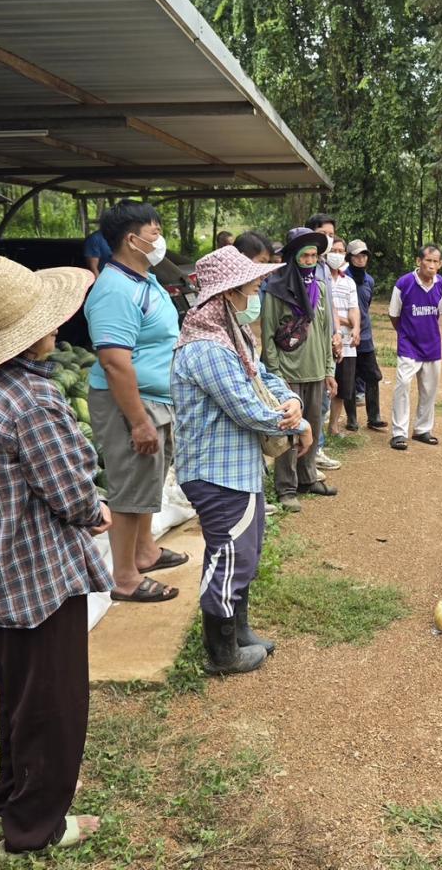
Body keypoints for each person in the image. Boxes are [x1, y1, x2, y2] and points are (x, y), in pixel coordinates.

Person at [0, 256, 111, 857]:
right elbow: (70, 492)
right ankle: (35, 825)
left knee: (20, 693)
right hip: (36, 575)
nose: (58, 327)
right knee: (54, 704)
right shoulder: (35, 402)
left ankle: (10, 798)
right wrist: (97, 510)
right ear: (34, 331)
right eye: (50, 320)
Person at [171, 247, 311, 673]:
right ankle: (222, 652)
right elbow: (245, 406)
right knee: (229, 554)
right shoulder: (207, 348)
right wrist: (295, 425)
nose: (257, 288)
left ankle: (240, 631)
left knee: (244, 552)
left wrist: (290, 399)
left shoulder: (233, 334)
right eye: (250, 284)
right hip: (217, 472)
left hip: (237, 467)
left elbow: (261, 374)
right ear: (228, 293)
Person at [84, 199, 187, 603]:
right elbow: (114, 362)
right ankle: (124, 577)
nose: (160, 240)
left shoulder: (145, 279)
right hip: (130, 402)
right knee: (129, 485)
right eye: (155, 233)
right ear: (132, 239)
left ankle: (144, 551)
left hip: (154, 398)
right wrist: (139, 421)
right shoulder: (113, 289)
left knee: (148, 477)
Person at [260, 227, 336, 512]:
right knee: (290, 432)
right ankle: (286, 487)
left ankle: (308, 478)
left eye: (314, 255)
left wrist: (329, 369)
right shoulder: (277, 291)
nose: (310, 260)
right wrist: (275, 374)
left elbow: (327, 329)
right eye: (304, 255)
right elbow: (268, 336)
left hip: (316, 370)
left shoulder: (321, 287)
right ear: (293, 258)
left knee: (313, 428)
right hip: (288, 374)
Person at [388, 245, 442, 450]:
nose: (431, 265)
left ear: (440, 264)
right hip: (408, 344)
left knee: (429, 389)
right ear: (418, 261)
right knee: (403, 384)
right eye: (428, 261)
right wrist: (405, 334)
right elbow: (394, 315)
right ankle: (398, 433)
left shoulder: (440, 283)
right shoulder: (404, 283)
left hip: (432, 345)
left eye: (435, 262)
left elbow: (438, 313)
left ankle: (422, 429)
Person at [305, 213, 343, 471]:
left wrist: (337, 333)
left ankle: (317, 448)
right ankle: (310, 452)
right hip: (310, 346)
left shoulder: (325, 267)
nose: (328, 240)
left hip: (328, 340)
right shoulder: (305, 266)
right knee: (313, 402)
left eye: (332, 234)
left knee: (325, 398)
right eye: (324, 234)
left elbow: (329, 307)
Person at [346, 238, 387, 431]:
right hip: (347, 337)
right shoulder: (343, 279)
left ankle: (374, 417)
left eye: (364, 255)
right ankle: (351, 419)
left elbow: (365, 306)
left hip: (366, 337)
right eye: (357, 256)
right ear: (349, 257)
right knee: (349, 378)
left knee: (373, 376)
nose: (361, 259)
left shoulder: (369, 281)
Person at [326, 237, 360, 435]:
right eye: (334, 250)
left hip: (347, 344)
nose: (337, 254)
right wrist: (344, 320)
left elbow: (354, 308)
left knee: (343, 386)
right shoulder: (319, 278)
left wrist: (355, 328)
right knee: (324, 383)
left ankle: (333, 425)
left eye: (341, 251)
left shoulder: (349, 282)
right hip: (327, 340)